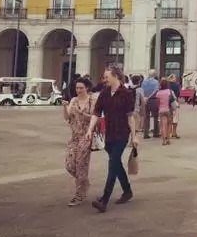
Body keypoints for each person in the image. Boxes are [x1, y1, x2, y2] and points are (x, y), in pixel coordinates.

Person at [86, 66, 137, 212]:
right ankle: (127, 191)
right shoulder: (104, 93)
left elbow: (130, 117)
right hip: (109, 134)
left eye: (106, 77)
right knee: (116, 163)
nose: (104, 79)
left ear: (116, 76)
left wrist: (134, 136)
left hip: (122, 133)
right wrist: (90, 129)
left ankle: (104, 199)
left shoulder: (126, 94)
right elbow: (96, 113)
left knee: (112, 164)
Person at [62, 77, 95, 205]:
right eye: (77, 88)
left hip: (86, 136)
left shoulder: (92, 100)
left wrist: (82, 114)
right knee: (70, 165)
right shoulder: (74, 100)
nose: (79, 90)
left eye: (81, 88)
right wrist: (65, 107)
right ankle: (84, 182)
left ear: (87, 88)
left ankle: (79, 194)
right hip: (74, 136)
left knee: (81, 164)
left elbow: (95, 117)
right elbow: (67, 117)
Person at [141, 70, 160, 139]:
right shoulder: (156, 82)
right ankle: (156, 132)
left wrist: (144, 98)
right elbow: (156, 90)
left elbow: (142, 90)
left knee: (146, 117)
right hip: (153, 100)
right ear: (154, 75)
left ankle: (146, 133)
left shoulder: (144, 81)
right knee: (156, 117)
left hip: (145, 100)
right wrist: (149, 97)